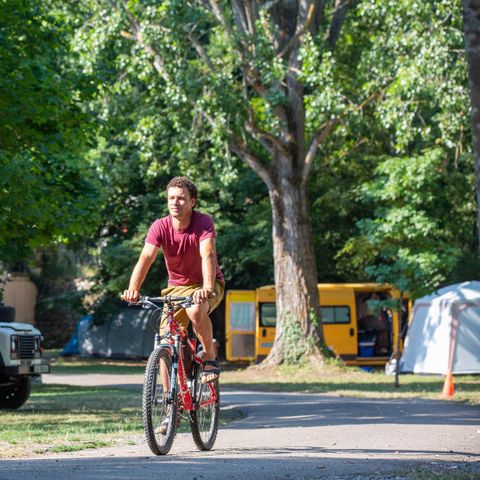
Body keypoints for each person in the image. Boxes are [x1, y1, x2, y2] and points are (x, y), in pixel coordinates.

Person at [122, 176, 224, 383]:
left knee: (196, 309)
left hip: (207, 284)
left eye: (181, 198)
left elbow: (208, 254)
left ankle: (210, 360)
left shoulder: (203, 222)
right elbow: (146, 258)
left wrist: (207, 287)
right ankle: (170, 404)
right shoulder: (160, 226)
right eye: (171, 198)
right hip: (175, 288)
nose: (175, 203)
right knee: (165, 342)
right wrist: (133, 289)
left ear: (192, 202)